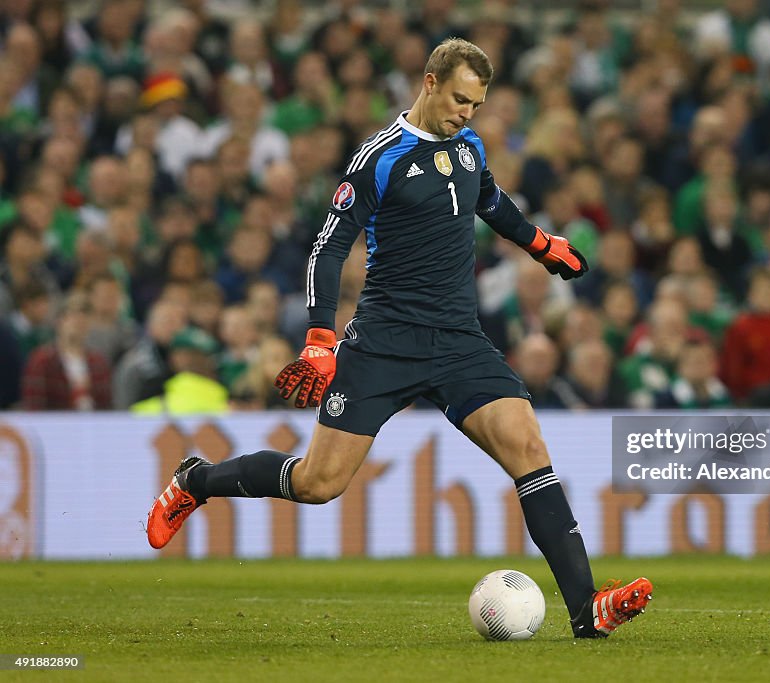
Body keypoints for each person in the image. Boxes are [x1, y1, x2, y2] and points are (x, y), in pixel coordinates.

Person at [146, 38, 651, 639]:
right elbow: (328, 247)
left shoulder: (469, 148)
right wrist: (318, 337)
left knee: (528, 448)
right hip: (385, 341)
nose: (467, 113)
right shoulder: (379, 158)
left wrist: (540, 243)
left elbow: (490, 202)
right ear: (430, 81)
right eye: (460, 98)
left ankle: (587, 612)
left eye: (478, 104)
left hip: (460, 339)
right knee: (318, 483)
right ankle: (196, 480)